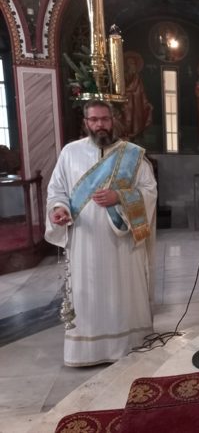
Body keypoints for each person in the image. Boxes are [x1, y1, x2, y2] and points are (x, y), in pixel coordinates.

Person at [45, 100, 157, 367]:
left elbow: (149, 190)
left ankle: (128, 343)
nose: (100, 125)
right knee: (88, 292)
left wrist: (119, 196)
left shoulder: (132, 154)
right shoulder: (70, 153)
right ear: (86, 123)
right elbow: (57, 190)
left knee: (123, 290)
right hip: (84, 240)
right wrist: (59, 209)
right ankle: (87, 350)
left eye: (105, 119)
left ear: (113, 120)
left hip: (122, 242)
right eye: (94, 120)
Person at [123, 51, 153, 139]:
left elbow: (141, 92)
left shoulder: (137, 77)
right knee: (128, 119)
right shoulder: (124, 76)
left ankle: (135, 136)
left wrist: (146, 103)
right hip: (127, 102)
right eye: (130, 64)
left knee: (137, 120)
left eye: (133, 64)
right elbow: (124, 88)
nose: (132, 66)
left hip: (137, 103)